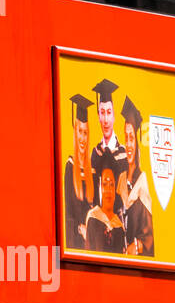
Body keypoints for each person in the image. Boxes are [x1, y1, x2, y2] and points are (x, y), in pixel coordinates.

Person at [120, 96, 155, 257]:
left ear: (137, 142)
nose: (128, 144)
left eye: (132, 138)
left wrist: (138, 245)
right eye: (126, 138)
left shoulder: (143, 183)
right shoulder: (120, 180)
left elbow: (149, 237)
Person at [90, 78, 129, 207]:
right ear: (98, 117)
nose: (106, 120)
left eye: (109, 112)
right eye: (102, 113)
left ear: (114, 116)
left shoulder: (123, 155)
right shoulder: (96, 154)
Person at [63, 93, 94, 248]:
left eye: (85, 132)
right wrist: (79, 230)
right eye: (79, 131)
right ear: (75, 132)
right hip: (76, 242)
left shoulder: (92, 171)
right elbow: (67, 211)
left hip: (92, 240)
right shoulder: (70, 167)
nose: (82, 138)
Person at [85, 165, 126, 254]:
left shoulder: (119, 226)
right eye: (104, 184)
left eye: (112, 185)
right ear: (99, 187)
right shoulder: (93, 217)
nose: (108, 189)